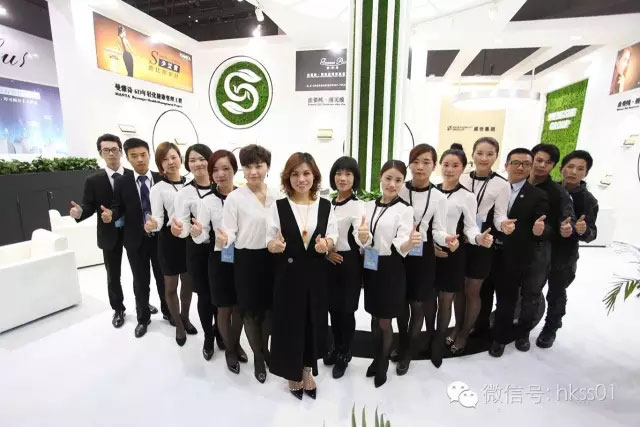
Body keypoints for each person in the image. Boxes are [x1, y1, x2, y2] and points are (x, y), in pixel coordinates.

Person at [267, 152, 338, 400]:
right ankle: (292, 372)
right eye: (295, 174)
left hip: (316, 276)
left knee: (313, 322)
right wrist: (274, 246)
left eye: (306, 173)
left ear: (314, 176)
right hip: (288, 276)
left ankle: (307, 370)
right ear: (288, 177)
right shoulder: (278, 206)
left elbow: (333, 235)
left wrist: (327, 244)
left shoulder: (326, 206)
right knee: (289, 325)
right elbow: (269, 238)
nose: (301, 179)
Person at [479, 148, 549, 357]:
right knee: (483, 294)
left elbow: (544, 225)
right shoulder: (493, 187)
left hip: (514, 255)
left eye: (526, 164)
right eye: (516, 162)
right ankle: (481, 328)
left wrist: (539, 230)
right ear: (506, 165)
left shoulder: (538, 195)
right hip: (487, 250)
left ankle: (500, 338)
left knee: (506, 299)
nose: (520, 167)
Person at [218, 144, 278, 384]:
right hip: (246, 260)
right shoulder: (235, 198)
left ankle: (266, 349)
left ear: (268, 167)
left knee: (269, 310)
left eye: (259, 166)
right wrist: (225, 239)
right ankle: (259, 357)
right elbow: (230, 231)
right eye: (248, 166)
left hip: (273, 259)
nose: (253, 172)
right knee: (250, 312)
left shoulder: (278, 195)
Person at [431, 144, 493, 368]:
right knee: (429, 300)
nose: (449, 169)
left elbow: (470, 226)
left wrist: (478, 238)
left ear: (463, 168)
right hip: (431, 253)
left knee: (446, 300)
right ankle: (434, 334)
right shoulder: (432, 191)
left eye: (455, 165)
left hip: (453, 253)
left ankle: (443, 340)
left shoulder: (467, 196)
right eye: (446, 164)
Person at [70, 134, 141, 328]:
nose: (111, 153)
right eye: (106, 150)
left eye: (114, 149)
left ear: (121, 152)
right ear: (100, 153)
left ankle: (142, 304)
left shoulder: (133, 175)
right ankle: (118, 309)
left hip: (133, 231)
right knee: (113, 275)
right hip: (109, 234)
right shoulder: (93, 180)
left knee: (139, 272)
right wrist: (80, 213)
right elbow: (88, 205)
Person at [448, 137, 512, 354]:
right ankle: (457, 326)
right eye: (480, 153)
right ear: (473, 154)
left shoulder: (502, 184)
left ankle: (465, 332)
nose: (484, 158)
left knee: (473, 290)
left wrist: (503, 225)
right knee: (458, 288)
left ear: (496, 156)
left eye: (490, 154)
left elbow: (500, 215)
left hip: (483, 239)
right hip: (459, 238)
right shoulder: (463, 176)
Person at [101, 138, 170, 338]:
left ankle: (168, 311)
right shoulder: (122, 181)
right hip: (135, 241)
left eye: (143, 155)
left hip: (160, 240)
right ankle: (143, 318)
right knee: (140, 281)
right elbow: (118, 207)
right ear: (127, 158)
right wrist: (111, 215)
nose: (139, 159)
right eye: (134, 156)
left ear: (149, 154)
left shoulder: (161, 178)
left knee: (163, 279)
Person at [359, 160, 419, 387]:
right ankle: (376, 358)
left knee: (385, 321)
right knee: (374, 318)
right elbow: (362, 238)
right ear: (380, 178)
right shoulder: (367, 206)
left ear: (403, 182)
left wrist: (409, 243)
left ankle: (383, 363)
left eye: (398, 180)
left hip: (391, 267)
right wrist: (362, 237)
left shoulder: (405, 209)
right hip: (371, 265)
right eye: (388, 178)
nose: (392, 184)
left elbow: (402, 241)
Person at [394, 144, 452, 375]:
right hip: (400, 251)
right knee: (400, 304)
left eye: (426, 162)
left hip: (423, 254)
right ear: (409, 164)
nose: (420, 167)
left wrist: (446, 239)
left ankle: (408, 351)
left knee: (418, 305)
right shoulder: (399, 188)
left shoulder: (438, 197)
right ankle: (401, 342)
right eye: (416, 161)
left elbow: (438, 230)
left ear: (433, 166)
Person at [192, 150, 248, 373]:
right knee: (224, 308)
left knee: (239, 308)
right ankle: (230, 350)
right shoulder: (207, 202)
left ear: (235, 170)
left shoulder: (245, 196)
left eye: (226, 168)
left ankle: (236, 342)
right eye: (215, 170)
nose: (220, 174)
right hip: (218, 259)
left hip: (243, 258)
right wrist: (197, 233)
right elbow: (202, 236)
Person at [537, 150, 598, 348]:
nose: (573, 172)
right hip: (540, 250)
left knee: (556, 293)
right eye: (570, 166)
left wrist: (583, 230)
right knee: (530, 289)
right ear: (561, 168)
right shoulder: (549, 189)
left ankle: (551, 328)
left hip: (564, 255)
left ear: (586, 173)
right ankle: (523, 321)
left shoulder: (588, 200)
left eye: (580, 169)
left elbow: (592, 233)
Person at [171, 144, 224, 360]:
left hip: (222, 249)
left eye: (202, 159)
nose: (198, 163)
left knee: (222, 295)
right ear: (187, 164)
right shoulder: (184, 193)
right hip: (197, 250)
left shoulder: (221, 185)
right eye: (192, 160)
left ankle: (221, 332)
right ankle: (208, 337)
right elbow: (182, 224)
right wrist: (181, 230)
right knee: (205, 295)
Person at [520, 143, 575, 351]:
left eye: (548, 162)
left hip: (542, 249)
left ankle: (525, 333)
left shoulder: (558, 193)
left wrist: (563, 228)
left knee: (534, 292)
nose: (542, 165)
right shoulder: (517, 182)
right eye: (539, 160)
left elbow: (566, 221)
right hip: (514, 246)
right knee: (511, 289)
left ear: (554, 166)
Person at [144, 142, 196, 346]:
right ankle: (179, 325)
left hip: (189, 241)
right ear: (160, 164)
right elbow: (157, 217)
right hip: (168, 242)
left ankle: (185, 317)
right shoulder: (157, 189)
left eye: (173, 157)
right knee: (171, 286)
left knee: (188, 284)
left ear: (180, 159)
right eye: (165, 159)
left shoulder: (191, 184)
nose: (170, 162)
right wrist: (152, 225)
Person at [323, 156, 364, 379]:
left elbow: (359, 235)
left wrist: (364, 236)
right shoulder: (328, 203)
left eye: (348, 174)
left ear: (355, 178)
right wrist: (326, 253)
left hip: (348, 263)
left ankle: (344, 353)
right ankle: (335, 347)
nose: (343, 178)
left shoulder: (358, 205)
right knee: (333, 310)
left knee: (346, 311)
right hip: (329, 261)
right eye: (339, 173)